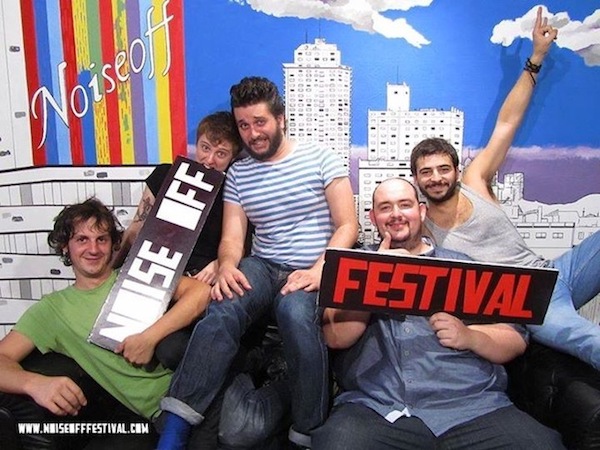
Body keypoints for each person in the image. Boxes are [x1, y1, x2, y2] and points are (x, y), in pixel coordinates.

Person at [157, 76, 358, 449]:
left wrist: (320, 270)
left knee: (296, 315)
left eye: (260, 122)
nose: (252, 134)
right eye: (244, 125)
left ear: (280, 119)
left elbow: (348, 224)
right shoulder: (239, 172)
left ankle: (306, 432)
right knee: (223, 303)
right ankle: (175, 425)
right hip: (263, 264)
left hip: (311, 266)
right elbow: (233, 238)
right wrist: (227, 265)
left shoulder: (321, 157)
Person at [312, 178, 565, 450]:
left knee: (542, 445)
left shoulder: (462, 266)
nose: (396, 214)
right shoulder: (353, 268)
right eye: (385, 208)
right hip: (379, 408)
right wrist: (376, 275)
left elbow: (514, 340)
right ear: (373, 218)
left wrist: (470, 336)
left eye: (405, 205)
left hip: (471, 407)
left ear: (421, 212)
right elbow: (336, 337)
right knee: (335, 443)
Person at [410, 8, 600, 370]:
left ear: (456, 171)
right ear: (416, 179)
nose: (435, 178)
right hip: (532, 300)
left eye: (443, 169)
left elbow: (507, 122)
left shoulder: (475, 182)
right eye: (426, 172)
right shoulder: (422, 228)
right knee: (589, 339)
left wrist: (536, 58)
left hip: (559, 270)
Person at [0, 198, 211, 449]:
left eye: (102, 239)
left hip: (201, 388)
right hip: (163, 415)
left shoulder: (136, 274)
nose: (93, 249)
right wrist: (34, 384)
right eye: (82, 239)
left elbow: (200, 293)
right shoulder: (52, 310)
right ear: (65, 247)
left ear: (113, 244)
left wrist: (150, 337)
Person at [111, 111, 242, 370]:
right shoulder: (165, 175)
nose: (209, 160)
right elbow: (134, 230)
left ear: (232, 158)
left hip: (199, 286)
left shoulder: (233, 190)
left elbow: (239, 242)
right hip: (156, 276)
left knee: (171, 349)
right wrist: (112, 267)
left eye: (221, 154)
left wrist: (219, 263)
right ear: (196, 145)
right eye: (205, 148)